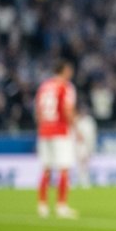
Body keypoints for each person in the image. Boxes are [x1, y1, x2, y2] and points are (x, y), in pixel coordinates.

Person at [34, 61, 79, 219]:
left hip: (44, 130)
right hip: (60, 130)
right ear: (64, 70)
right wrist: (76, 128)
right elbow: (67, 109)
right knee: (64, 168)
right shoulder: (66, 86)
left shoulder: (44, 86)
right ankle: (61, 206)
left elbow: (38, 110)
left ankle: (42, 206)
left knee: (46, 168)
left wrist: (41, 127)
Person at [74, 102, 98, 189]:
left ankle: (85, 181)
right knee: (80, 163)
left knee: (86, 164)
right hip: (80, 145)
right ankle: (80, 181)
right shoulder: (77, 120)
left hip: (89, 144)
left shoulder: (90, 121)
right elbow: (75, 133)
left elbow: (93, 132)